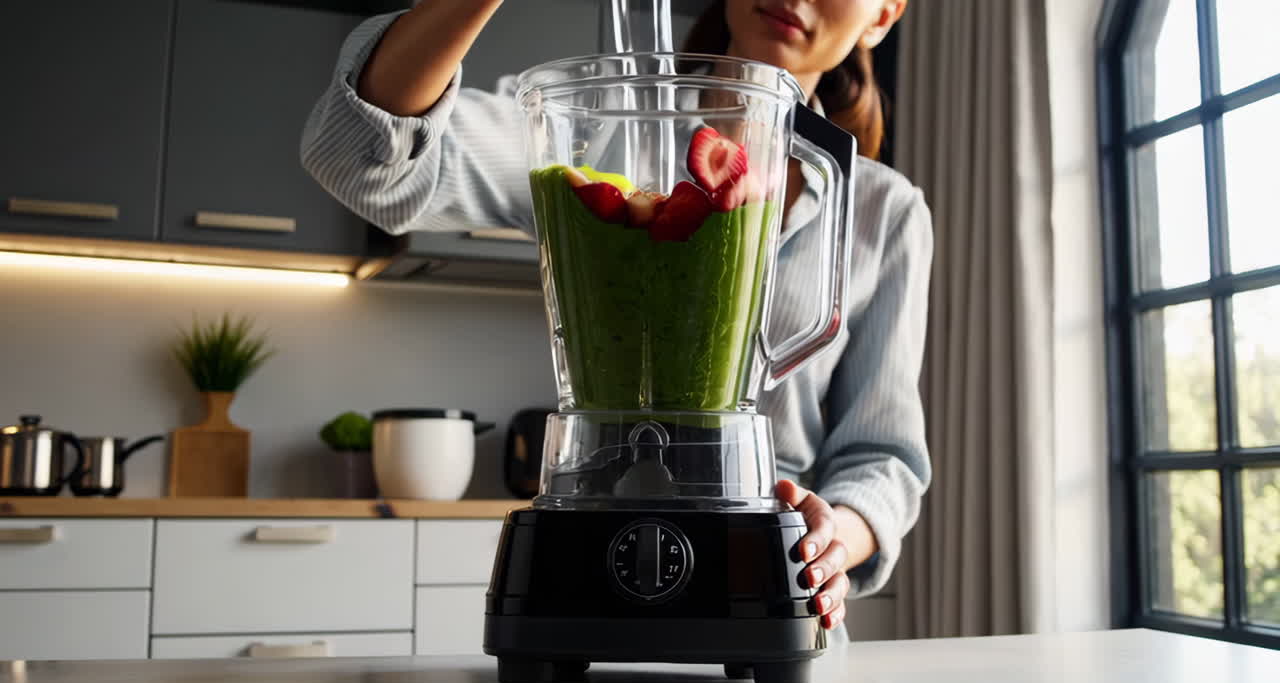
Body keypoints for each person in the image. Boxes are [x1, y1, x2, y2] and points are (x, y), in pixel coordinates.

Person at [302, 0, 931, 639]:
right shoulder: (591, 126)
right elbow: (362, 161)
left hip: (772, 571)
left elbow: (882, 457)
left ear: (884, 14)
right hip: (595, 523)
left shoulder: (885, 210)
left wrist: (832, 541)